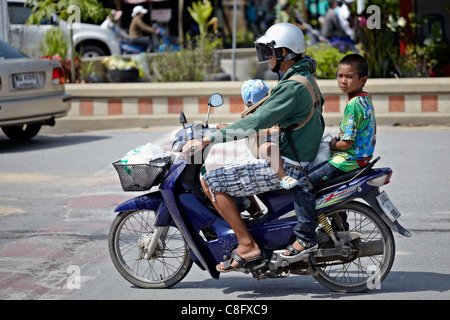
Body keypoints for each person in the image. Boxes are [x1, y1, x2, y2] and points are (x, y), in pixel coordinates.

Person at [182, 23, 325, 272]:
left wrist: (207, 140)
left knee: (212, 181)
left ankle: (247, 245)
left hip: (291, 162)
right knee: (237, 169)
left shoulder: (291, 87)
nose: (266, 57)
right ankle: (256, 223)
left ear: (283, 53)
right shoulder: (304, 78)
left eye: (270, 51)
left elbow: (255, 122)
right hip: (299, 155)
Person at [283, 53, 376, 257]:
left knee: (302, 184)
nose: (343, 81)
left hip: (347, 160)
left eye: (349, 77)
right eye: (340, 76)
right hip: (361, 159)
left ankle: (304, 238)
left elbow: (347, 143)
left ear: (362, 80)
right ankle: (338, 228)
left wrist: (330, 144)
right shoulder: (364, 99)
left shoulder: (352, 106)